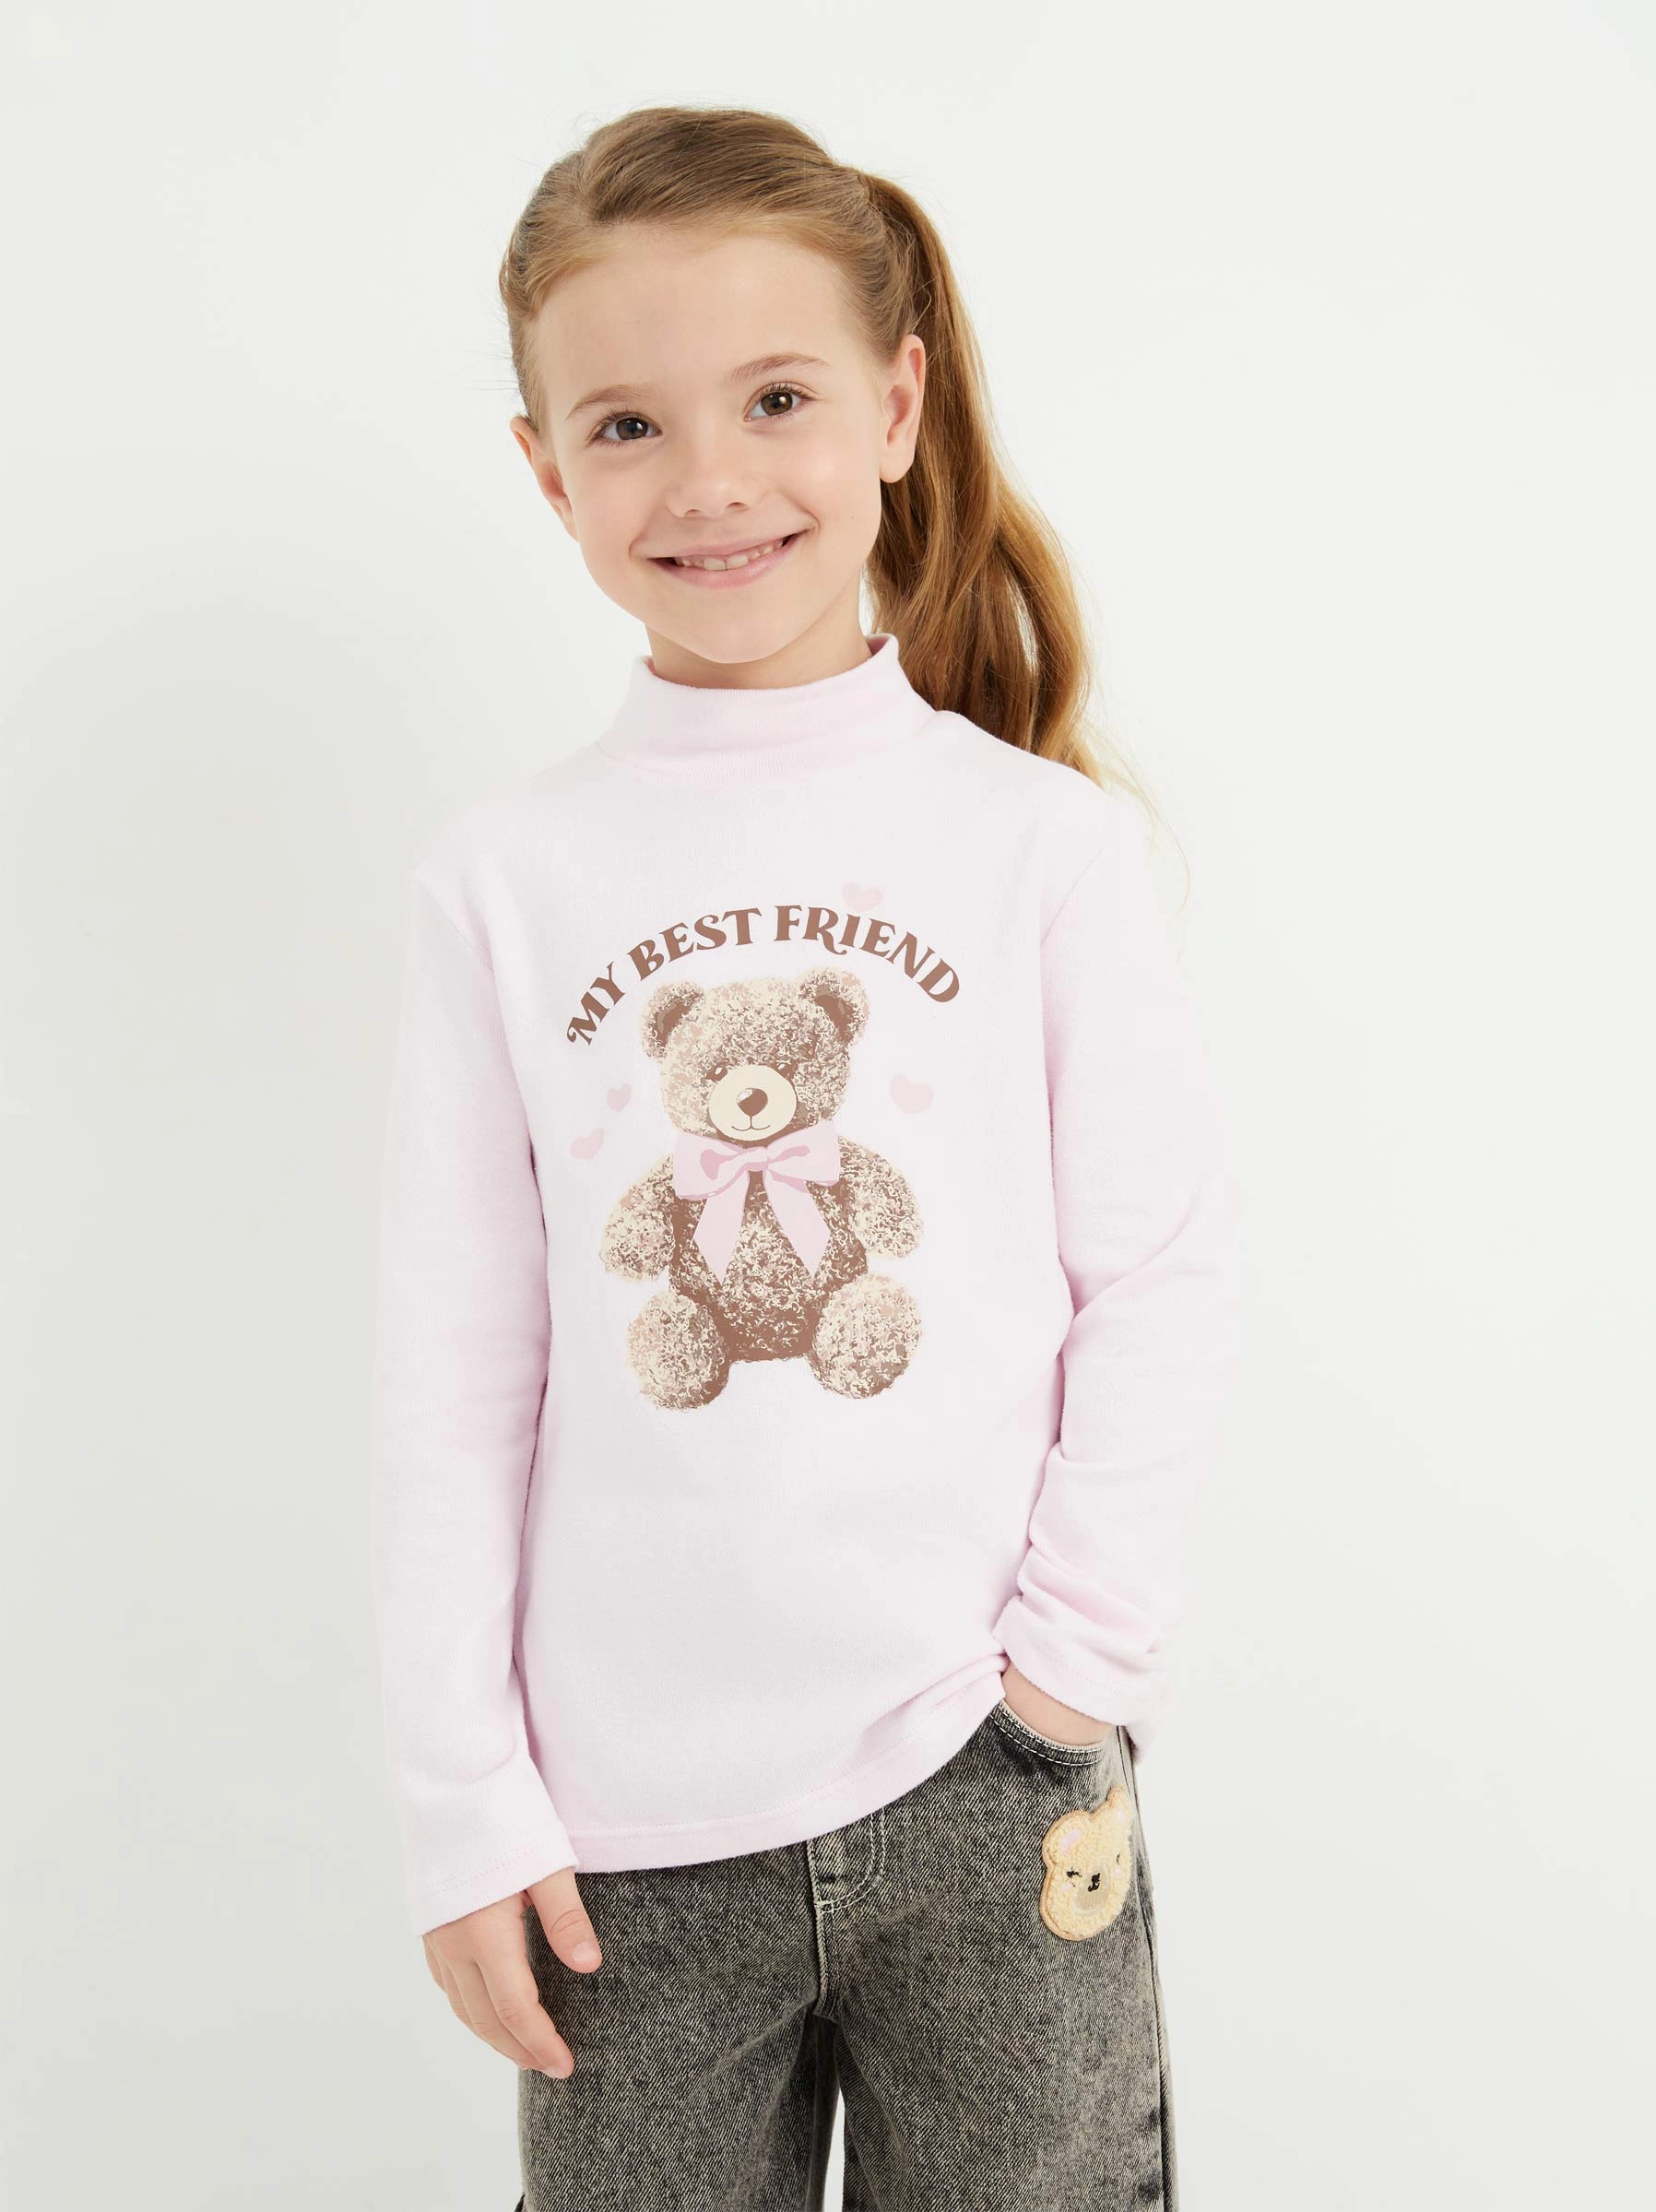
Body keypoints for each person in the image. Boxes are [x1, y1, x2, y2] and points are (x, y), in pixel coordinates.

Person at [368, 101, 1239, 2212]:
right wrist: (464, 1800)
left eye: (776, 398)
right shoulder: (502, 879)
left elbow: (1158, 1272)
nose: (711, 478)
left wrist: (1068, 1678)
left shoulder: (1039, 846)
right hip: (622, 1845)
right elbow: (456, 1368)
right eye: (628, 425)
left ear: (898, 406)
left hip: (993, 1786)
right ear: (545, 469)